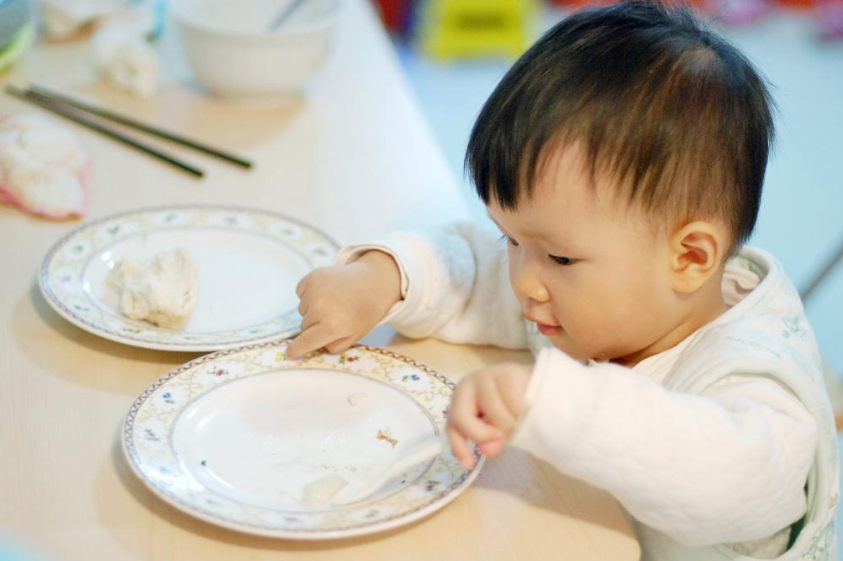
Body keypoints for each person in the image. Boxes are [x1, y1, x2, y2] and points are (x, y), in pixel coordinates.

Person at [285, 1, 838, 559]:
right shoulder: (587, 294)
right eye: (512, 240)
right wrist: (381, 279)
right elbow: (470, 268)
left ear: (690, 257)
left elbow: (732, 480)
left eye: (559, 258)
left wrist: (553, 404)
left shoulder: (754, 386)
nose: (525, 281)